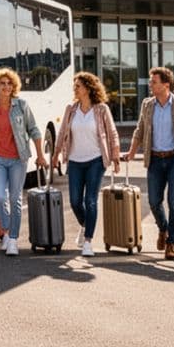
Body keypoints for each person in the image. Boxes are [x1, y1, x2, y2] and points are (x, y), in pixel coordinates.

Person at [123, 66, 174, 260]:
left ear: (166, 85)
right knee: (153, 201)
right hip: (155, 160)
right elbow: (140, 130)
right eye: (151, 82)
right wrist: (132, 151)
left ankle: (172, 242)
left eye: (154, 82)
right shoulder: (147, 104)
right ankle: (163, 228)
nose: (151, 85)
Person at [0, 67, 48, 256]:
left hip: (18, 159)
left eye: (9, 83)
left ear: (13, 86)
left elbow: (34, 130)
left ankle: (13, 239)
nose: (6, 87)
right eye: (2, 83)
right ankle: (6, 232)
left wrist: (40, 155)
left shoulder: (22, 105)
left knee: (15, 198)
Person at [52, 71, 119, 257]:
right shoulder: (71, 109)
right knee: (74, 201)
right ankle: (85, 224)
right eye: (75, 86)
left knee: (90, 200)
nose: (75, 88)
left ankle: (88, 241)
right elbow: (62, 133)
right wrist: (56, 153)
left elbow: (112, 133)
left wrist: (115, 157)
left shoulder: (101, 109)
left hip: (96, 160)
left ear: (88, 88)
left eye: (78, 85)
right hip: (74, 160)